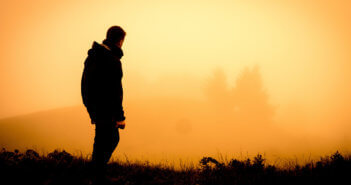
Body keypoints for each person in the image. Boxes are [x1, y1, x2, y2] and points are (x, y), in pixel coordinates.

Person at [81, 26, 126, 182]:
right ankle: (97, 175)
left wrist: (90, 108)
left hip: (95, 107)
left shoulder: (93, 56)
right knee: (112, 139)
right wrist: (120, 117)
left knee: (100, 140)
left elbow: (84, 84)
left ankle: (96, 175)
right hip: (107, 109)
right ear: (120, 41)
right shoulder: (112, 61)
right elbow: (116, 91)